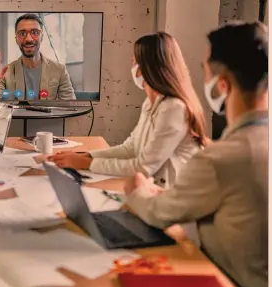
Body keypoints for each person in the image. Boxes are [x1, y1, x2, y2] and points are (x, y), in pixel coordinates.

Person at [123, 21, 268, 287]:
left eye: (204, 69)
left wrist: (137, 188)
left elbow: (157, 214)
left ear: (221, 85)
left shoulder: (219, 159)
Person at [49, 32, 207, 188]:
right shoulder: (150, 103)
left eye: (134, 62)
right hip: (152, 188)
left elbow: (143, 168)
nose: (132, 69)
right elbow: (130, 149)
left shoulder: (173, 108)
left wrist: (87, 163)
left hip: (172, 196)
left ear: (144, 68)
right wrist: (85, 156)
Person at [0, 13, 76, 101]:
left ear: (42, 36)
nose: (28, 39)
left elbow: (70, 106)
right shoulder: (5, 73)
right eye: (22, 33)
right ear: (16, 39)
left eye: (34, 32)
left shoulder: (60, 70)